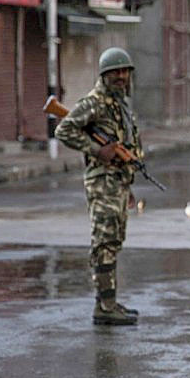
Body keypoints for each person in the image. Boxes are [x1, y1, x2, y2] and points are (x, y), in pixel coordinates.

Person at [55, 47, 144, 326]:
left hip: (117, 183)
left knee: (114, 242)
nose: (121, 76)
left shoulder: (120, 104)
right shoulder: (94, 102)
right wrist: (96, 149)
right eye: (115, 72)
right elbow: (63, 130)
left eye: (124, 72)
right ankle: (104, 307)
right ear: (104, 75)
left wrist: (128, 186)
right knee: (103, 242)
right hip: (102, 183)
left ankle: (109, 302)